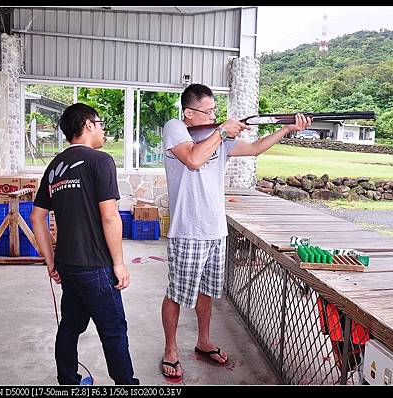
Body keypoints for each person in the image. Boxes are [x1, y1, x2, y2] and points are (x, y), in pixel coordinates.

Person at [160, 83, 312, 378]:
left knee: (207, 291)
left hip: (216, 230)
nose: (213, 115)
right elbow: (192, 160)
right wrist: (221, 132)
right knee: (177, 293)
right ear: (188, 113)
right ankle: (170, 349)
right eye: (208, 111)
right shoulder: (175, 127)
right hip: (188, 229)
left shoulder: (216, 138)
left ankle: (203, 341)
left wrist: (286, 130)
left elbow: (254, 148)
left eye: (215, 110)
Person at [31, 103, 139, 385]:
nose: (103, 129)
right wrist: (119, 263)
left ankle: (68, 380)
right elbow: (109, 215)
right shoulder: (99, 161)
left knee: (70, 327)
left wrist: (51, 261)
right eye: (100, 123)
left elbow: (37, 217)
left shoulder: (54, 167)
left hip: (67, 265)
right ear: (89, 125)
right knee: (114, 330)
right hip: (96, 266)